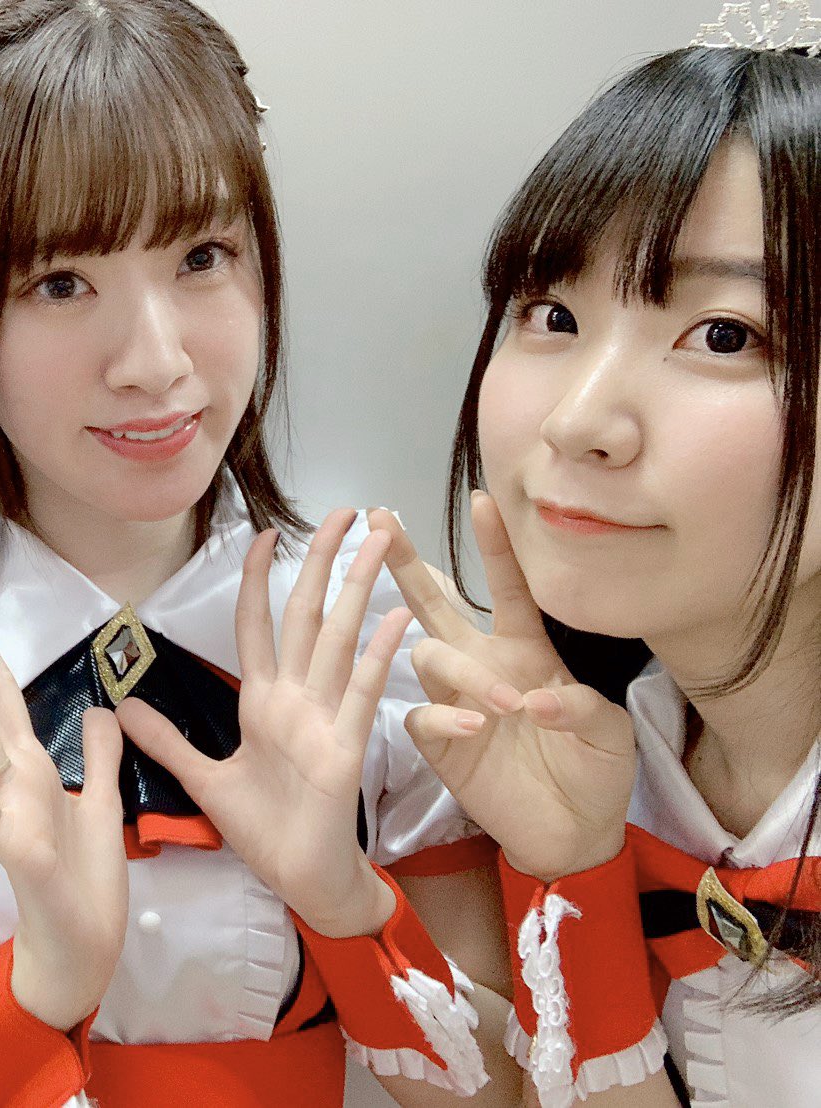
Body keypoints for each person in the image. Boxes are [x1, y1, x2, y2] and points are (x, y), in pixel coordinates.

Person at [0, 2, 520, 1104]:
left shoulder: (360, 628)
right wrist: (28, 995)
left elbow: (499, 1094)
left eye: (201, 256)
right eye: (60, 282)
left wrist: (346, 906)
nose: (154, 361)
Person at [371, 7, 821, 1106]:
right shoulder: (593, 757)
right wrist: (566, 873)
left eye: (722, 334)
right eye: (551, 313)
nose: (577, 422)